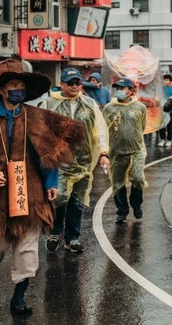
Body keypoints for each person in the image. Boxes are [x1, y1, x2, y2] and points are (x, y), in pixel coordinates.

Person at [0, 59, 83, 316]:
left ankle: (19, 296)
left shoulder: (35, 117)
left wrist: (51, 183)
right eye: (14, 85)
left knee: (27, 249)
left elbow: (48, 152)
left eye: (21, 85)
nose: (19, 90)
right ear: (1, 89)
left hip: (31, 190)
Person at [39, 67, 109, 254]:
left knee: (77, 201)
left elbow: (100, 129)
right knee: (59, 198)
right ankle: (54, 233)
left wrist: (103, 153)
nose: (75, 86)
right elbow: (40, 132)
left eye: (78, 83)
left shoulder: (89, 104)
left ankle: (72, 238)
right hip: (59, 162)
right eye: (70, 83)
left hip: (83, 162)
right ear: (61, 84)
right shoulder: (49, 104)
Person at [103, 78, 148, 223]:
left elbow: (142, 126)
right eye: (117, 88)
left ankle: (136, 204)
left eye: (122, 88)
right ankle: (122, 211)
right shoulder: (109, 108)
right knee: (118, 183)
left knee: (138, 178)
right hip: (116, 151)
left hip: (136, 150)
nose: (119, 90)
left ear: (131, 90)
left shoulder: (140, 107)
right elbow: (104, 128)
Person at [159, 74, 172, 148]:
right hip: (162, 110)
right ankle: (162, 139)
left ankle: (169, 139)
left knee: (169, 126)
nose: (165, 81)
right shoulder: (161, 89)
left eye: (167, 80)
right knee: (162, 126)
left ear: (170, 81)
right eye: (164, 80)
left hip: (171, 111)